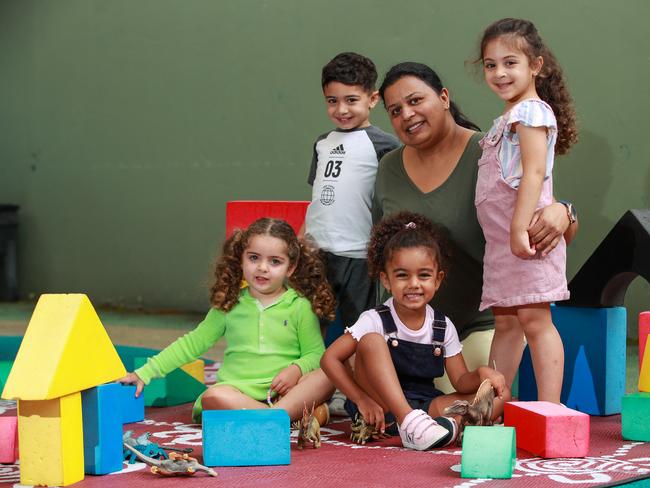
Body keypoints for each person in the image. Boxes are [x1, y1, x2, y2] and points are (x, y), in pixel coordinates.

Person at [373, 61, 578, 393]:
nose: (406, 115)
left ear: (443, 97)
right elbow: (380, 253)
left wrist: (564, 212)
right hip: (409, 329)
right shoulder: (388, 168)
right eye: (395, 110)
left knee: (474, 396)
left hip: (479, 327)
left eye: (415, 101)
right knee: (365, 372)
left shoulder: (491, 150)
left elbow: (544, 208)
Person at [321, 211, 508, 451]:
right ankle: (411, 422)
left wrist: (482, 374)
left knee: (499, 398)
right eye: (402, 276)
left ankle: (445, 427)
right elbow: (330, 359)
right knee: (371, 341)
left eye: (424, 275)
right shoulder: (374, 319)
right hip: (383, 410)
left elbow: (461, 382)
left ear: (438, 280)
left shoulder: (442, 326)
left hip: (426, 407)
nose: (414, 284)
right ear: (386, 280)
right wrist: (361, 399)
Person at [118, 217, 336, 423]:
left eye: (275, 261)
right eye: (254, 258)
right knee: (213, 397)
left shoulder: (299, 306)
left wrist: (296, 369)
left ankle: (273, 415)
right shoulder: (229, 304)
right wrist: (144, 373)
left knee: (327, 376)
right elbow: (192, 343)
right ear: (241, 259)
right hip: (236, 393)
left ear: (291, 268)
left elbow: (316, 355)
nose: (262, 267)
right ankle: (280, 418)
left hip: (283, 392)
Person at [475, 18, 578, 402]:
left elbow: (534, 173)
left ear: (535, 65)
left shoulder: (531, 113)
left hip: (526, 236)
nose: (499, 72)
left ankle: (550, 408)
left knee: (535, 321)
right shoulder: (507, 119)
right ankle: (492, 405)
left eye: (510, 62)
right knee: (505, 324)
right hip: (502, 244)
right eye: (490, 64)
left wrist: (519, 228)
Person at [303, 52, 400, 415]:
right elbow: (318, 198)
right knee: (311, 326)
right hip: (317, 254)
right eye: (332, 101)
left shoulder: (385, 145)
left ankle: (351, 394)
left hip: (359, 256)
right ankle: (311, 391)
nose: (341, 109)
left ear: (372, 99)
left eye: (351, 100)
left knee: (356, 330)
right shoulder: (321, 143)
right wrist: (302, 244)